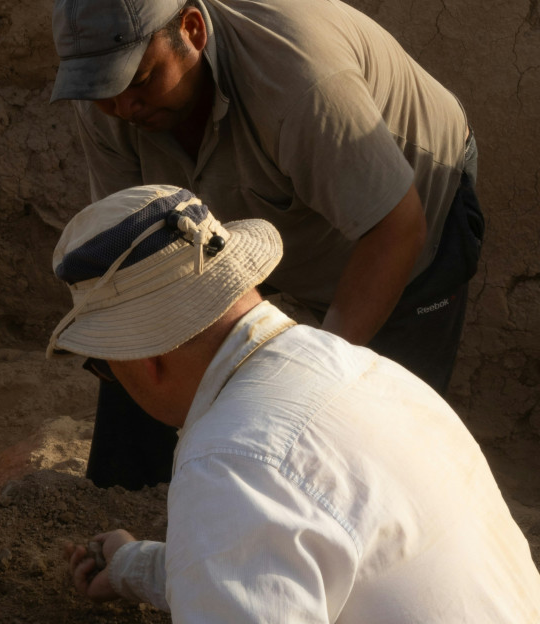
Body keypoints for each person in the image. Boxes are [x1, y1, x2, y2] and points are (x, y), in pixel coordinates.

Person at [50, 185, 540, 621]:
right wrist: (134, 567)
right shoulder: (364, 371)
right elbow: (292, 552)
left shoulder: (229, 462)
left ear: (145, 359)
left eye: (104, 365)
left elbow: (257, 515)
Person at [50, 0, 485, 490]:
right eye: (104, 91)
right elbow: (130, 263)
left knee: (376, 430)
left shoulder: (299, 80)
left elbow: (397, 228)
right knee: (143, 333)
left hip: (405, 208)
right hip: (248, 207)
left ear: (193, 30)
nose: (123, 107)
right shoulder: (112, 104)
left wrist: (309, 381)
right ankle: (123, 499)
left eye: (141, 79)